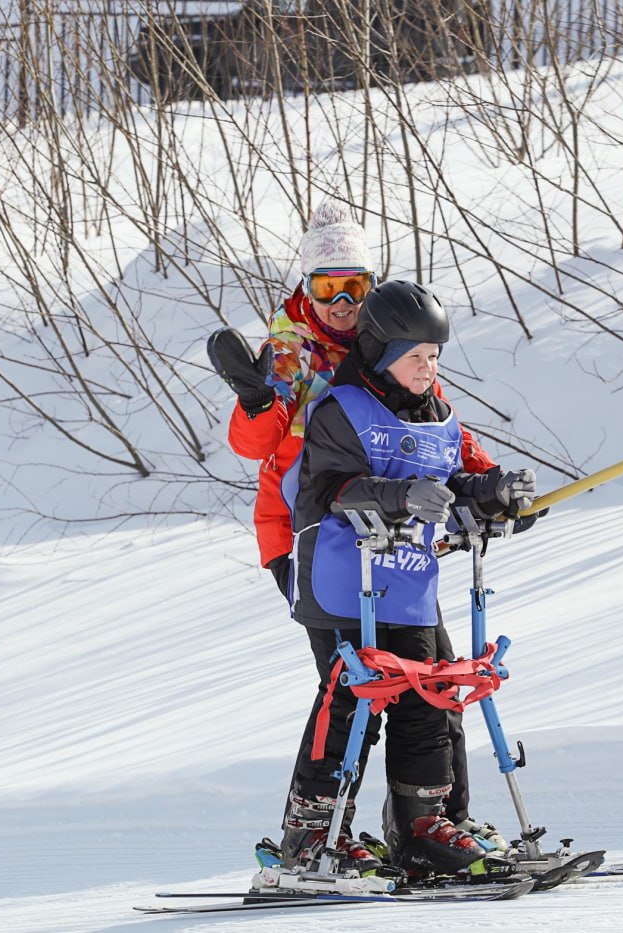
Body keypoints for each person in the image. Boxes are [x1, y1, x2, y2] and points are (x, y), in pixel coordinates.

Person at [206, 200, 506, 866]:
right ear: (306, 287)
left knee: (433, 675)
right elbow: (254, 446)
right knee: (356, 683)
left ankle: (432, 821)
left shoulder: (393, 342)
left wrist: (484, 485)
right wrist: (258, 400)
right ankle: (315, 831)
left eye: (354, 287)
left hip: (389, 540)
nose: (341, 303)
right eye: (326, 288)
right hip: (309, 532)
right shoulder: (291, 349)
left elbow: (437, 435)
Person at [285, 280, 537, 875]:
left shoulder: (441, 419)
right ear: (381, 354)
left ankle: (421, 826)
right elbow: (331, 489)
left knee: (431, 698)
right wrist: (399, 495)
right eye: (416, 358)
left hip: (410, 586)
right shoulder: (339, 410)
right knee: (353, 701)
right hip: (346, 580)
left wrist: (494, 491)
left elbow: (454, 485)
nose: (429, 369)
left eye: (434, 357)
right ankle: (313, 836)